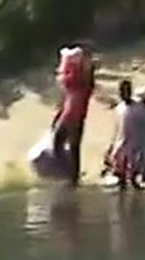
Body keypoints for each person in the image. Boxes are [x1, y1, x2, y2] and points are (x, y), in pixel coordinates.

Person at [52, 44, 95, 187]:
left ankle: (70, 176)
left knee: (62, 144)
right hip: (74, 115)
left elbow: (66, 81)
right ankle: (72, 177)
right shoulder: (80, 82)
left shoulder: (80, 81)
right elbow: (66, 97)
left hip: (72, 116)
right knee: (72, 147)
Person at [106, 79, 145, 189]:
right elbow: (117, 127)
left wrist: (142, 142)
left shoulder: (138, 108)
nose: (124, 94)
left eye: (126, 91)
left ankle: (136, 198)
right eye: (122, 91)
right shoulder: (119, 108)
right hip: (121, 142)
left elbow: (143, 125)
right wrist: (111, 145)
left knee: (133, 173)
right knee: (120, 172)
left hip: (134, 143)